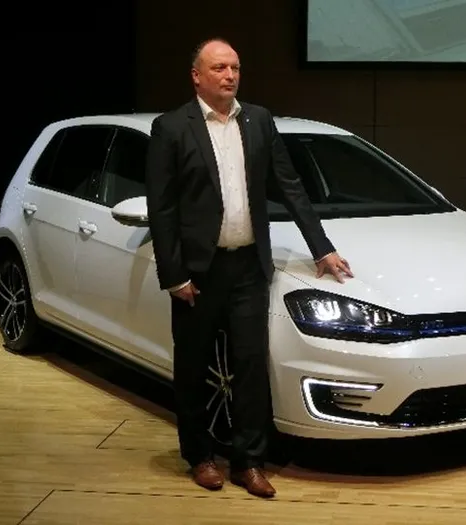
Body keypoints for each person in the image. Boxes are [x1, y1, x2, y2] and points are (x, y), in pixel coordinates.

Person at [144, 38, 353, 498]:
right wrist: (174, 274)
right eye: (219, 68)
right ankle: (200, 456)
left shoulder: (258, 120)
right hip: (198, 270)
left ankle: (248, 462)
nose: (230, 76)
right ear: (197, 76)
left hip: (248, 266)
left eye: (235, 67)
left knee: (251, 365)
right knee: (194, 366)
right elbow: (162, 207)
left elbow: (290, 185)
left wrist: (321, 248)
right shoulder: (171, 127)